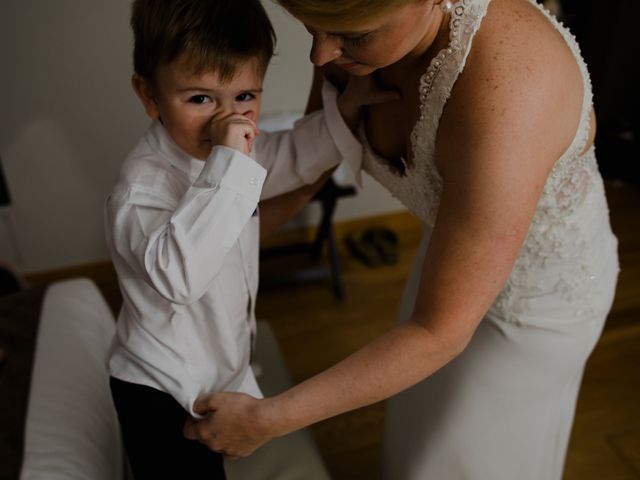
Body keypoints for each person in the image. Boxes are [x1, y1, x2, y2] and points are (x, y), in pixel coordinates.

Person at [183, 0, 620, 478]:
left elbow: (438, 331)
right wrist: (194, 255)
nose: (321, 55)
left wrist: (268, 419)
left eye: (354, 35)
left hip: (536, 302)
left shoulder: (512, 89)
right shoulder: (343, 34)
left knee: (470, 458)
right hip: (451, 265)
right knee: (420, 437)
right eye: (312, 28)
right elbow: (310, 166)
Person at [104, 0, 394, 478]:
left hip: (219, 364)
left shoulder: (230, 152)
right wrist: (230, 163)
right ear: (149, 95)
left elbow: (289, 156)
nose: (228, 121)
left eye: (244, 98)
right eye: (200, 99)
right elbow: (180, 276)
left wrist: (342, 114)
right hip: (160, 389)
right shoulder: (141, 190)